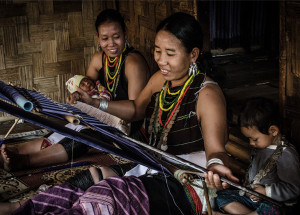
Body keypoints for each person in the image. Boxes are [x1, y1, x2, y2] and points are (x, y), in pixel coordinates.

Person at [0, 11, 238, 215]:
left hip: (187, 182)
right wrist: (95, 103)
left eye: (170, 53)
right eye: (157, 51)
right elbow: (135, 109)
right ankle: (23, 207)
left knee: (108, 195)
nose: (161, 60)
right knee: (91, 176)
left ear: (193, 55)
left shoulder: (207, 94)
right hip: (156, 165)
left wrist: (216, 165)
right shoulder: (161, 80)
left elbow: (216, 150)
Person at [0, 9, 150, 171]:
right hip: (102, 117)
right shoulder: (98, 59)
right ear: (98, 38)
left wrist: (96, 104)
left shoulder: (133, 62)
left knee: (86, 136)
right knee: (73, 126)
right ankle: (16, 151)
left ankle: (27, 160)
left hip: (128, 129)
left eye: (117, 37)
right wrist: (77, 96)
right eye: (105, 38)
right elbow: (87, 88)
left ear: (125, 33)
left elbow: (136, 113)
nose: (111, 44)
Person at [214, 97, 300, 215]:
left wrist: (265, 192)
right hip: (254, 199)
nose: (250, 143)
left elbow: (293, 189)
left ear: (273, 131)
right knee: (221, 196)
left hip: (273, 202)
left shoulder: (286, 154)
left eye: (254, 139)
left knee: (271, 210)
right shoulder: (262, 146)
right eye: (249, 139)